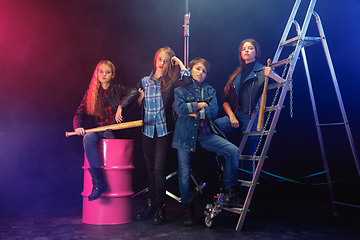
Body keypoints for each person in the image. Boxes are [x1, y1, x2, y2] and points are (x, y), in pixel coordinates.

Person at [171, 57, 241, 226]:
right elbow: (179, 109)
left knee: (233, 151)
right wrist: (200, 104)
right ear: (190, 70)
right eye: (198, 69)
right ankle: (187, 209)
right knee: (184, 174)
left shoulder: (209, 90)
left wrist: (196, 111)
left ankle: (230, 190)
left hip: (205, 133)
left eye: (204, 71)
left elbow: (214, 111)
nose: (201, 73)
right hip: (184, 135)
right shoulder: (180, 89)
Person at [214, 39, 284, 190]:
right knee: (216, 126)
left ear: (256, 52)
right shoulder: (236, 73)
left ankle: (244, 194)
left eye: (250, 48)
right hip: (235, 116)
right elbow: (225, 99)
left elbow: (287, 86)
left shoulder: (263, 70)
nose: (246, 50)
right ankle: (226, 166)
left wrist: (273, 75)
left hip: (252, 118)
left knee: (246, 157)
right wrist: (232, 116)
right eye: (244, 48)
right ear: (240, 53)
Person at [73, 60, 139, 201]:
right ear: (96, 74)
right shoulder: (90, 93)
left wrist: (120, 106)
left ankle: (109, 132)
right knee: (88, 138)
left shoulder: (117, 89)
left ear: (112, 75)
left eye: (107, 72)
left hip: (117, 129)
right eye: (101, 71)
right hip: (100, 130)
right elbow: (79, 113)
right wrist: (78, 127)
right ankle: (99, 183)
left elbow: (134, 91)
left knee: (109, 130)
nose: (103, 74)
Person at [135, 46, 186, 225]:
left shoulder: (172, 81)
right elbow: (137, 106)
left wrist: (178, 63)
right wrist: (139, 101)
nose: (162, 64)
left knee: (158, 169)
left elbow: (187, 80)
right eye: (160, 60)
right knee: (149, 169)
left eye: (166, 61)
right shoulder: (143, 81)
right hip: (147, 131)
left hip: (163, 130)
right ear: (155, 60)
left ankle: (160, 209)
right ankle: (150, 205)